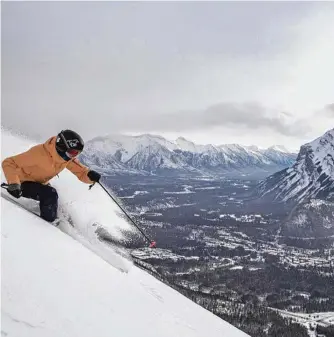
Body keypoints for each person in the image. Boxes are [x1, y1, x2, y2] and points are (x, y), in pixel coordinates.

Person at [1, 129, 101, 222]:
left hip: (39, 183)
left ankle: (55, 217)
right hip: (21, 183)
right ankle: (48, 226)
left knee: (58, 201)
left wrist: (90, 176)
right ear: (62, 147)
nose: (73, 156)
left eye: (77, 153)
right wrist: (14, 183)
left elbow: (81, 172)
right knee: (50, 194)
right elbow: (9, 162)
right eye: (72, 152)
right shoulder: (38, 153)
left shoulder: (64, 159)